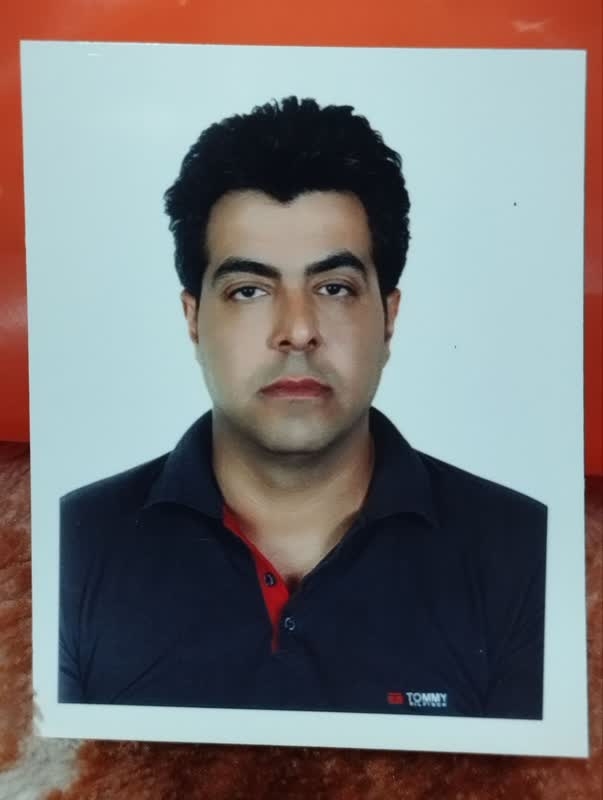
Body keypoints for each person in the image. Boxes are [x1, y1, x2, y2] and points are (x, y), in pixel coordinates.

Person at [59, 96, 547, 718]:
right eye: (250, 290)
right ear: (193, 320)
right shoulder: (68, 547)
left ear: (389, 317)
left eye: (334, 287)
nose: (297, 331)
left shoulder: (529, 554)